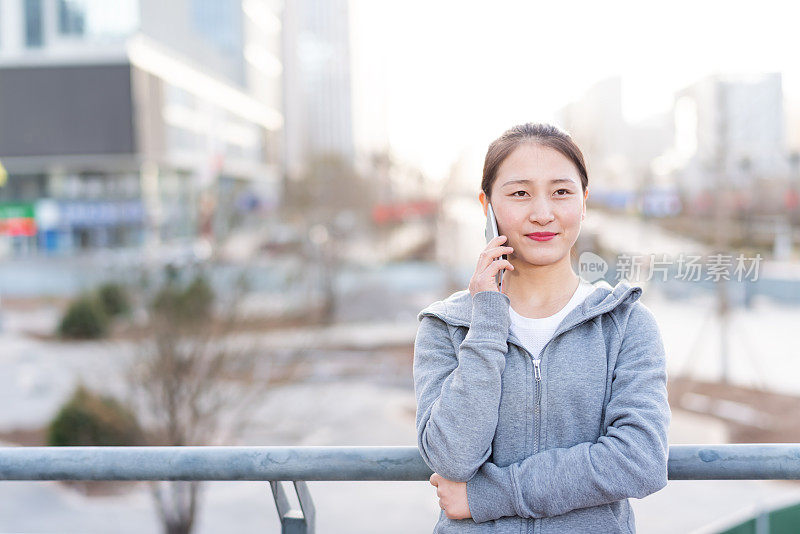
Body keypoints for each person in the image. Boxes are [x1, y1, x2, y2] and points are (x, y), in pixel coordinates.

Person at [413, 123, 671, 533]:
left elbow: (640, 461)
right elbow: (453, 458)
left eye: (561, 192)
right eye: (519, 193)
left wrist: (488, 496)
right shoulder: (447, 326)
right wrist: (487, 321)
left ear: (584, 202)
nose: (543, 213)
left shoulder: (625, 322)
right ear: (487, 206)